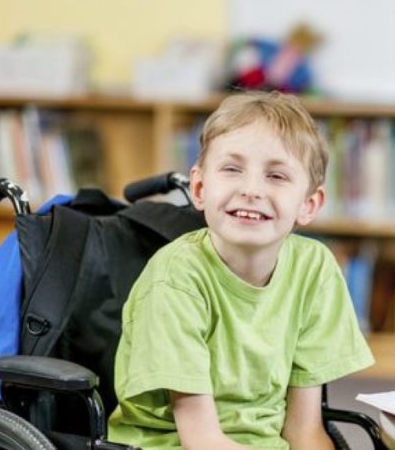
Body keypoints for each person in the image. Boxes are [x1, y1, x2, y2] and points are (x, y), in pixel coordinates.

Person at [108, 92, 374, 448]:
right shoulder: (176, 279)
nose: (251, 190)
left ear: (309, 205)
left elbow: (303, 430)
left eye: (276, 176)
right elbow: (201, 440)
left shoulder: (315, 269)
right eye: (232, 169)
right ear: (200, 188)